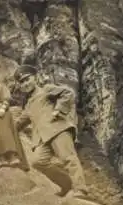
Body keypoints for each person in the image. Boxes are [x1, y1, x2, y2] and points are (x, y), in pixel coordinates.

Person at [14, 64, 88, 197]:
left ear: (35, 78)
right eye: (22, 82)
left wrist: (58, 110)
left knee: (68, 158)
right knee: (37, 162)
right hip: (42, 139)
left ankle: (80, 188)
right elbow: (20, 122)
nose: (25, 84)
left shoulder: (46, 90)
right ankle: (67, 184)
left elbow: (68, 93)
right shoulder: (28, 104)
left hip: (58, 129)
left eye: (27, 79)